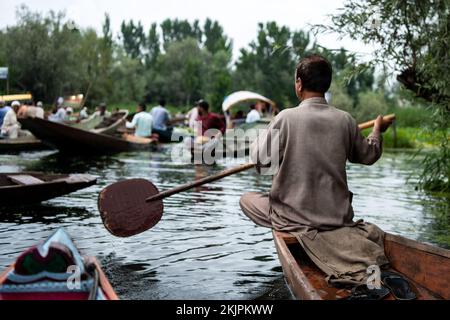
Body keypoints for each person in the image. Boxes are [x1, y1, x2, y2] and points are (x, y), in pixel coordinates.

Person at [239, 54, 393, 285]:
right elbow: (368, 155)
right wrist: (377, 131)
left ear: (299, 83)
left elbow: (261, 163)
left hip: (293, 217)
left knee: (247, 199)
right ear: (326, 84)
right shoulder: (345, 120)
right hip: (335, 217)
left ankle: (291, 228)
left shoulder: (285, 118)